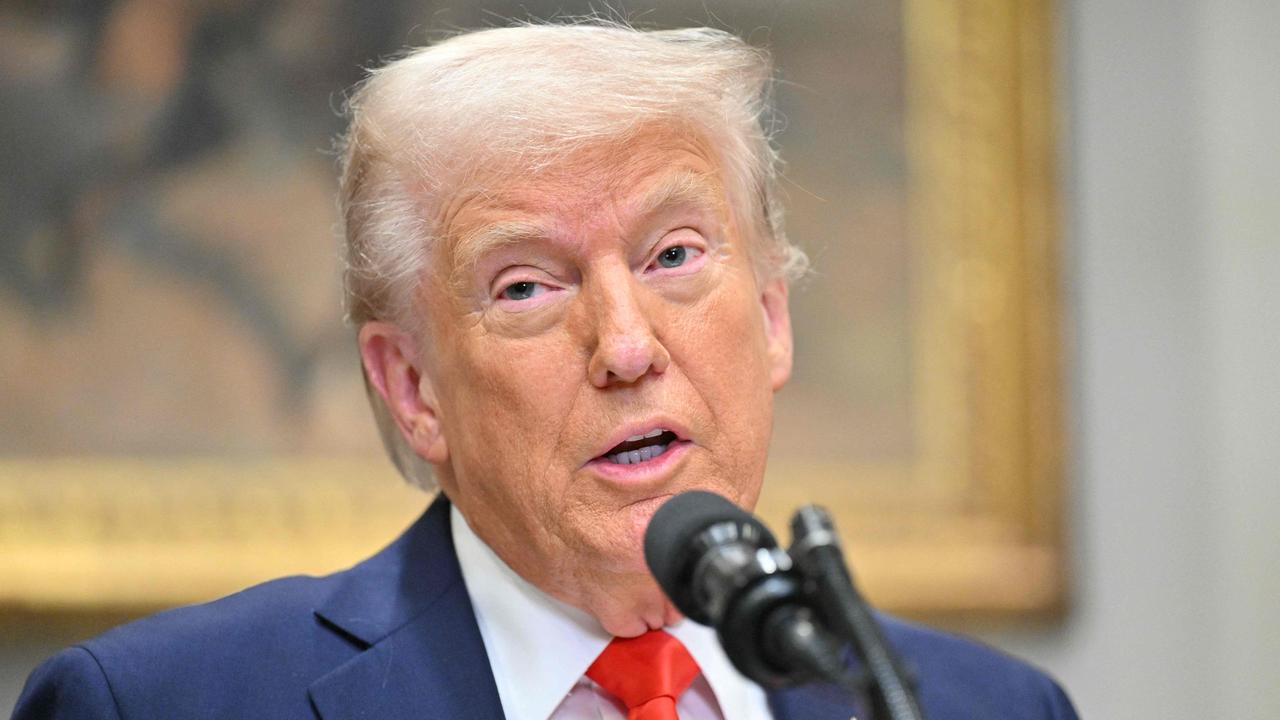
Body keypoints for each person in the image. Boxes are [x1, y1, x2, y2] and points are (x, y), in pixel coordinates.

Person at [13, 23, 1078, 720]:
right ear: (411, 386)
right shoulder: (161, 705)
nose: (624, 346)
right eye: (526, 287)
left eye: (673, 257)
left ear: (769, 316)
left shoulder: (982, 707)